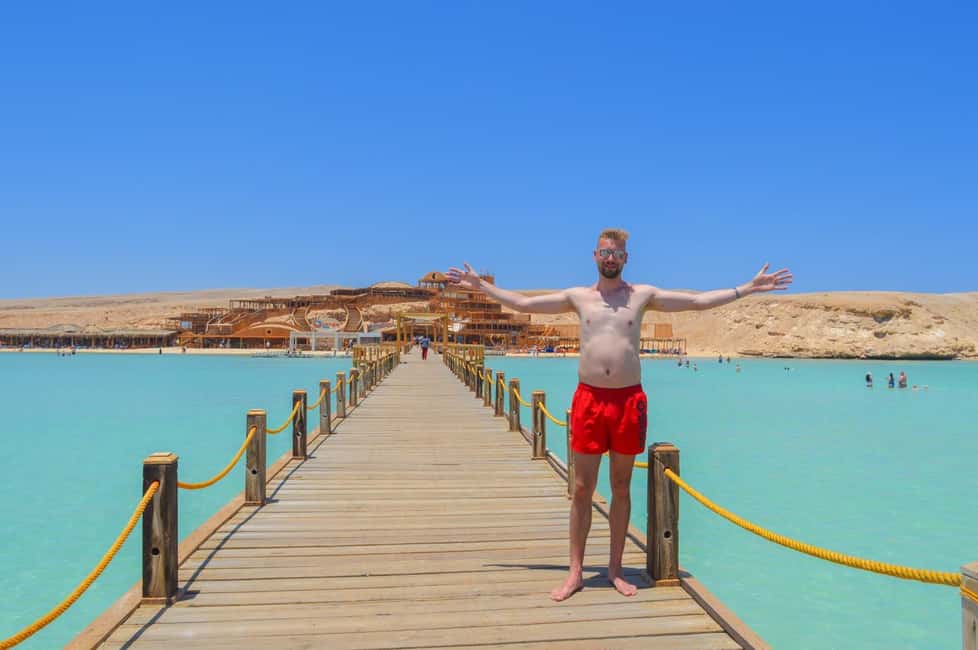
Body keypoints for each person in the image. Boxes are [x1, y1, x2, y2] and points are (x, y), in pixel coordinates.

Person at [447, 227, 792, 601]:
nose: (610, 258)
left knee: (621, 487)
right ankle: (575, 572)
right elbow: (522, 303)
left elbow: (697, 302)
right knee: (582, 489)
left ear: (626, 258)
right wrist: (481, 286)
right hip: (589, 400)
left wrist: (747, 288)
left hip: (628, 402)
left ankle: (614, 569)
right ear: (595, 256)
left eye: (617, 253)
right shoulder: (578, 297)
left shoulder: (641, 296)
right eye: (604, 252)